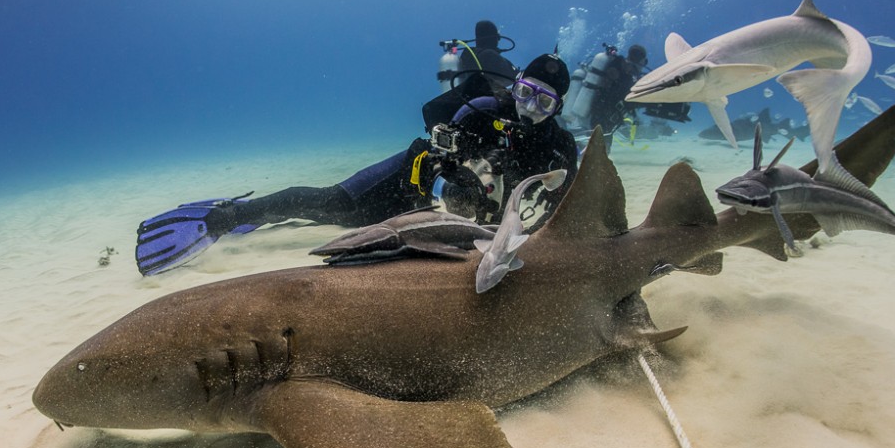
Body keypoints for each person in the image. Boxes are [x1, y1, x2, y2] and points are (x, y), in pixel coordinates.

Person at [135, 54, 578, 276]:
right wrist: (450, 178)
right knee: (328, 206)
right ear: (515, 84)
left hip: (453, 223)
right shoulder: (484, 107)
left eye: (543, 101)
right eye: (525, 91)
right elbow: (437, 132)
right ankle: (226, 217)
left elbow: (563, 206)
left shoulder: (558, 149)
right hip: (408, 185)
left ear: (558, 108)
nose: (527, 107)